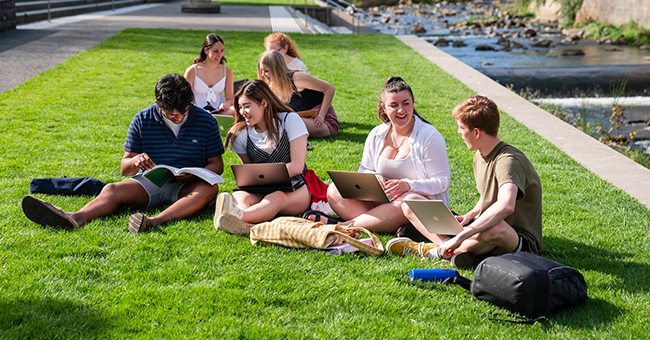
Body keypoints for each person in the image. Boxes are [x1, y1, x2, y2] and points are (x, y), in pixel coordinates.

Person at [21, 73, 224, 233]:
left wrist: (195, 174)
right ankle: (74, 217)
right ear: (158, 103)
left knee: (210, 189)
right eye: (171, 113)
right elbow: (124, 168)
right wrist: (135, 161)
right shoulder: (142, 119)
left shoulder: (207, 121)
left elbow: (217, 165)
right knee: (111, 189)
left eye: (184, 112)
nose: (178, 117)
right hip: (150, 182)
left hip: (188, 187)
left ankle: (152, 222)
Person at [387, 96, 543, 269]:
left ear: (476, 132)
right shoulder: (480, 155)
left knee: (495, 227)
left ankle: (434, 250)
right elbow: (488, 196)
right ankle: (455, 249)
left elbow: (506, 205)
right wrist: (470, 215)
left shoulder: (509, 161)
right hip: (484, 226)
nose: (459, 132)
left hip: (518, 240)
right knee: (411, 202)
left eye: (461, 128)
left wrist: (463, 234)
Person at [314, 76, 450, 233]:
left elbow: (442, 181)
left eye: (406, 103)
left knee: (404, 202)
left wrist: (408, 185)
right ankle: (390, 225)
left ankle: (344, 226)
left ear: (412, 103)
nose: (401, 110)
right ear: (384, 108)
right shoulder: (377, 134)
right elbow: (364, 169)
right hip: (383, 200)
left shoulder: (429, 135)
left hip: (414, 203)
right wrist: (373, 178)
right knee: (334, 190)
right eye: (394, 105)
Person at [213, 79, 311, 227]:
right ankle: (239, 217)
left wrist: (265, 178)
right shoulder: (241, 134)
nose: (242, 112)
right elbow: (250, 171)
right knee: (240, 196)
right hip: (262, 187)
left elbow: (297, 166)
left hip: (296, 186)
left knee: (276, 197)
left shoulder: (290, 121)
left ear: (263, 103)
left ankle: (239, 217)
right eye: (240, 107)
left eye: (247, 106)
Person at [258, 50, 338, 138]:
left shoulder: (298, 78)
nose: (263, 74)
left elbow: (330, 89)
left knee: (287, 121)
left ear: (276, 69)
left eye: (266, 71)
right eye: (262, 70)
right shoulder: (272, 87)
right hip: (300, 120)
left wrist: (321, 116)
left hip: (322, 121)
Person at [184, 33, 235, 116]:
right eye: (215, 51)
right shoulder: (192, 70)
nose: (219, 55)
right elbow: (186, 98)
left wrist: (225, 105)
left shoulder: (227, 72)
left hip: (219, 111)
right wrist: (199, 110)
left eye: (222, 50)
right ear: (206, 50)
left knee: (235, 110)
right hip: (196, 110)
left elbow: (230, 99)